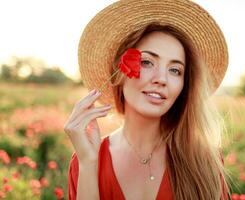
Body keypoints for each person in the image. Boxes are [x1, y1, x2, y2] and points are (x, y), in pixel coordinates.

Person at [64, 0, 230, 199]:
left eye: (175, 70)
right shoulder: (86, 160)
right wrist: (89, 164)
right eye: (147, 62)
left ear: (184, 85)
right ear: (120, 72)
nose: (161, 79)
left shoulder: (204, 161)